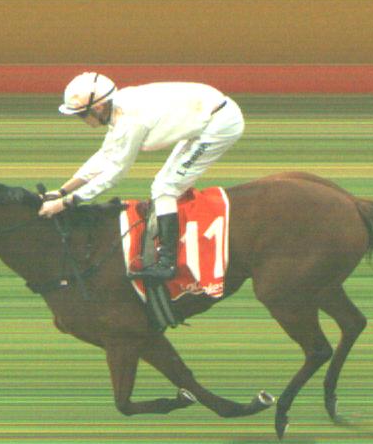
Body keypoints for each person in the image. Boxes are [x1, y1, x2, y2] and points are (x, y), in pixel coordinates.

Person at [40, 72, 249, 287]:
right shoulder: (118, 108)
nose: (82, 119)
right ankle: (168, 242)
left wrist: (67, 203)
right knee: (162, 185)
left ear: (98, 107)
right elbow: (106, 155)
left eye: (82, 114)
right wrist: (63, 191)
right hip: (208, 115)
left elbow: (114, 173)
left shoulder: (131, 122)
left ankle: (167, 263)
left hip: (219, 125)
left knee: (165, 188)